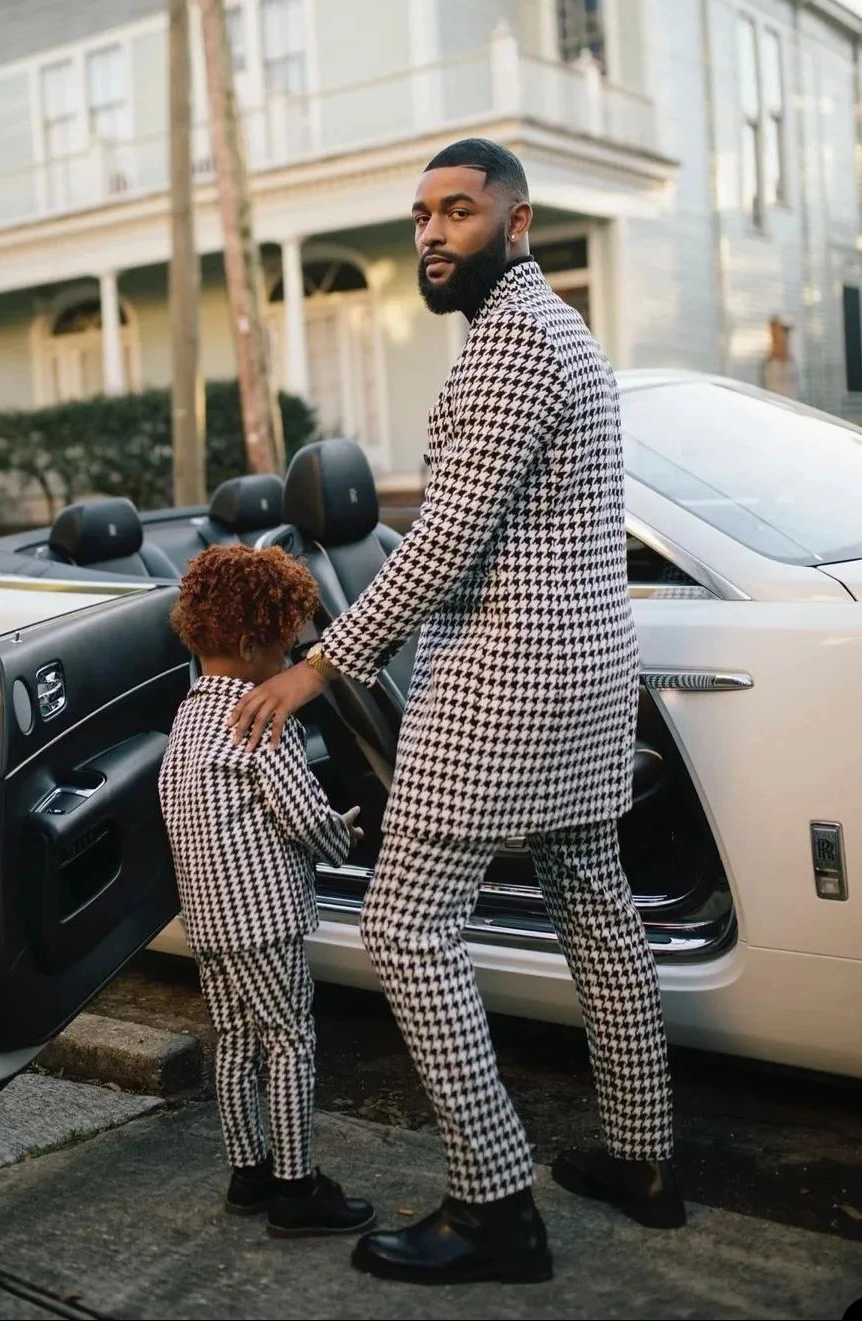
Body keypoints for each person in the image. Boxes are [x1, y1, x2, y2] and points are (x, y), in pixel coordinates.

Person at [230, 138, 683, 1286]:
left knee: (402, 924)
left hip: (504, 691)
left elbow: (440, 543)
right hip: (583, 682)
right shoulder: (557, 335)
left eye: (459, 213)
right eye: (420, 215)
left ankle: (493, 1204)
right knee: (596, 903)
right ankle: (642, 1159)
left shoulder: (511, 346)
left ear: (515, 224)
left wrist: (318, 664)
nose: (431, 233)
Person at [158, 543, 375, 1239]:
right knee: (288, 1038)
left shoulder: (187, 718)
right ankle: (295, 1185)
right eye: (286, 647)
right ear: (254, 644)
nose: (290, 661)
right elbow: (304, 818)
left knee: (231, 1039)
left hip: (209, 919)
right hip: (263, 918)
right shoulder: (261, 721)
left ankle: (246, 1171)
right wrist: (346, 836)